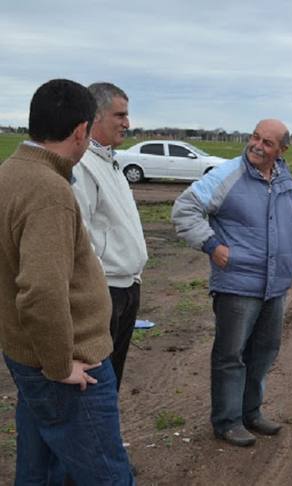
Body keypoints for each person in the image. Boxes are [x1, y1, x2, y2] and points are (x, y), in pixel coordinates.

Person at [0, 79, 134, 484]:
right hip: (69, 365)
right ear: (81, 130)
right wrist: (60, 366)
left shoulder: (10, 172)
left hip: (27, 353)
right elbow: (41, 291)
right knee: (107, 474)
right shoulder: (50, 191)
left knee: (39, 469)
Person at [172, 119, 292, 447]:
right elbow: (184, 209)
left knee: (263, 353)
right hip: (237, 283)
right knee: (230, 355)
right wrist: (212, 244)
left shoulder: (286, 181)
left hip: (276, 285)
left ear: (282, 150)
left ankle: (251, 413)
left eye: (268, 142)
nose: (257, 146)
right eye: (255, 138)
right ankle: (227, 421)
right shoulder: (226, 175)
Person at [71, 82, 148, 390]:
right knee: (97, 381)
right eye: (120, 115)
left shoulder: (110, 161)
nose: (127, 123)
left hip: (127, 286)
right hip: (106, 291)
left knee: (111, 377)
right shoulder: (83, 165)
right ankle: (93, 437)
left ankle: (104, 437)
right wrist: (98, 283)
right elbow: (81, 235)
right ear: (95, 117)